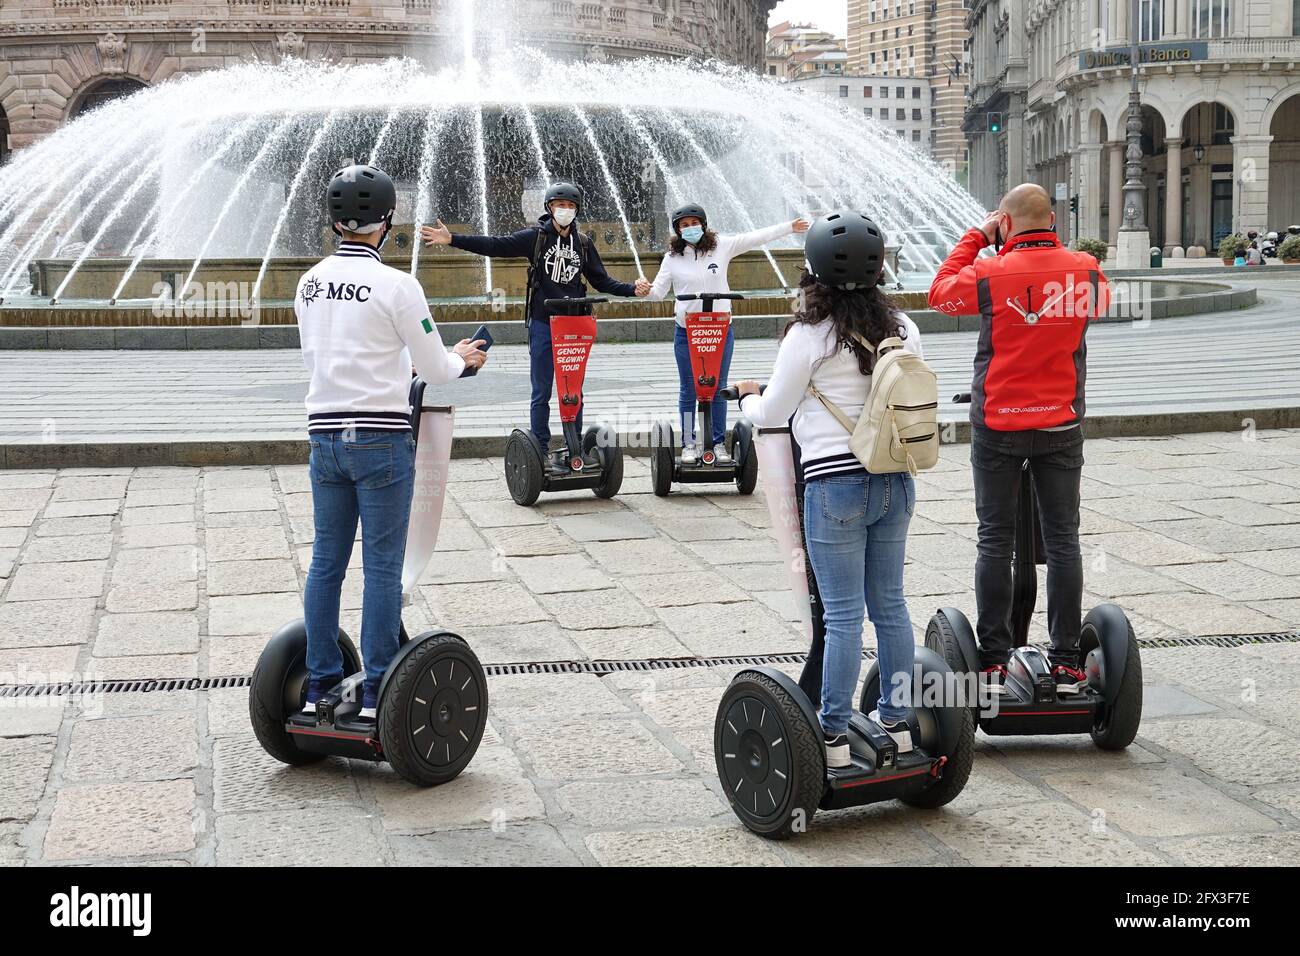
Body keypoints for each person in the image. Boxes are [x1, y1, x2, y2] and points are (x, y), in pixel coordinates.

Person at [296, 163, 487, 724]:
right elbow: (437, 367)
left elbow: (326, 356)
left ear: (334, 220)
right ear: (386, 221)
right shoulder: (398, 285)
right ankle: (379, 685)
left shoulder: (308, 282)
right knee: (382, 565)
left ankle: (321, 684)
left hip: (325, 436)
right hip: (380, 439)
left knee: (326, 561)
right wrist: (463, 358)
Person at [735, 212, 922, 769]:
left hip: (835, 485)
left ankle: (834, 736)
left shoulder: (809, 334)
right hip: (895, 478)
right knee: (890, 607)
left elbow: (773, 411)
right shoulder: (905, 328)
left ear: (812, 269)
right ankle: (900, 723)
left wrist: (747, 399)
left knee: (841, 617)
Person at [927, 182, 1109, 698]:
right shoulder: (1085, 270)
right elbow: (1097, 304)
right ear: (1052, 219)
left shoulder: (989, 272)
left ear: (1005, 223)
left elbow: (940, 292)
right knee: (1063, 539)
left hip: (1000, 425)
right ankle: (1069, 661)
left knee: (995, 538)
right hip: (1061, 424)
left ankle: (991, 660)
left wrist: (979, 237)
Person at [421, 182, 649, 467]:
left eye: (570, 206)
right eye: (559, 205)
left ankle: (574, 446)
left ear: (577, 210)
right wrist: (452, 238)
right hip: (544, 323)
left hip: (575, 326)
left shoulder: (584, 243)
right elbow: (495, 245)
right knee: (541, 390)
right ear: (549, 208)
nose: (564, 210)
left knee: (573, 389)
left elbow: (602, 280)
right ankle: (540, 448)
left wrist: (632, 289)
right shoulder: (536, 237)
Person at [646, 203, 809, 463]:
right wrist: (644, 289)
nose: (690, 228)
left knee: (717, 387)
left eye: (694, 223)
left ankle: (718, 443)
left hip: (719, 330)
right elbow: (657, 292)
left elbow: (755, 237)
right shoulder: (672, 258)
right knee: (689, 388)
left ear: (703, 223)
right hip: (687, 331)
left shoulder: (721, 246)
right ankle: (689, 443)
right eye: (684, 225)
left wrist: (789, 227)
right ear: (677, 230)